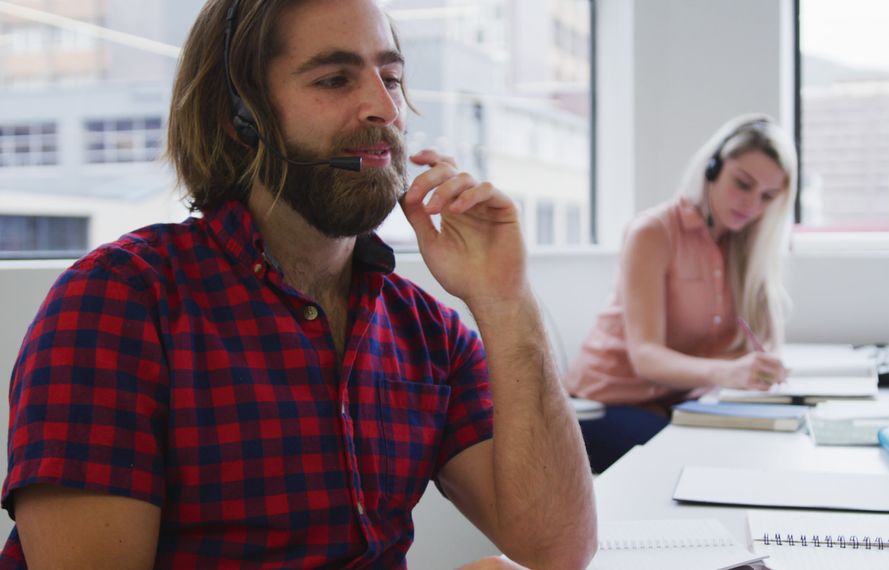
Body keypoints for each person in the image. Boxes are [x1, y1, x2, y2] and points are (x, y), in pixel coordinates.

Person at [0, 0, 596, 568]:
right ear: (238, 119)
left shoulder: (424, 331)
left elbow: (557, 549)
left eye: (390, 78)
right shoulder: (119, 304)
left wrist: (507, 302)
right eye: (334, 79)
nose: (385, 111)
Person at [565, 114, 798, 472]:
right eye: (742, 183)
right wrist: (728, 372)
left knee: (760, 444)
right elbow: (646, 356)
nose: (752, 205)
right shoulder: (654, 232)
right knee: (711, 458)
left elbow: (750, 346)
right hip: (602, 406)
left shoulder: (743, 248)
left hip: (675, 403)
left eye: (767, 196)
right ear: (712, 168)